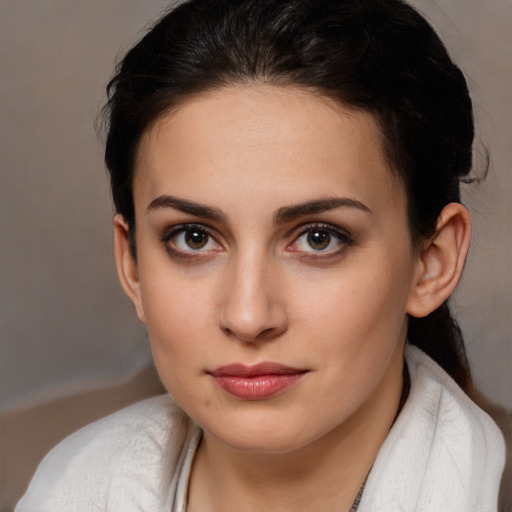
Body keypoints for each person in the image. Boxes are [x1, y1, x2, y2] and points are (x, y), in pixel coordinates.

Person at [16, 0, 509, 510]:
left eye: (319, 238)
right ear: (132, 265)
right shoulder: (64, 492)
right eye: (194, 238)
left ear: (432, 261)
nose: (249, 316)